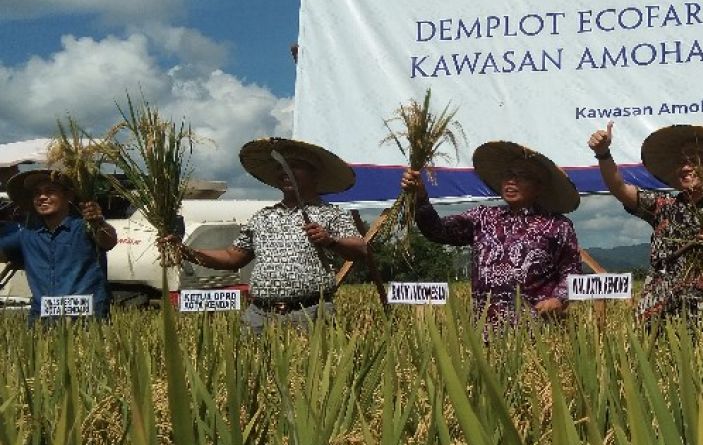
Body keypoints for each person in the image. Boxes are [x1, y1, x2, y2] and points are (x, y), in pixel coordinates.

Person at [166, 137, 368, 333]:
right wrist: (184, 251)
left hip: (310, 313)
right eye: (281, 167)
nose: (285, 171)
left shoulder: (331, 214)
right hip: (260, 316)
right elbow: (232, 257)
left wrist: (330, 241)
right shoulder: (263, 217)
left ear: (314, 175)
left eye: (295, 166)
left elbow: (359, 249)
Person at [587, 121, 703, 335]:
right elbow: (619, 189)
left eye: (693, 161)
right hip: (659, 306)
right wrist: (603, 154)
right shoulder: (664, 206)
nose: (685, 167)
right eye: (681, 162)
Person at [402, 141, 581, 328]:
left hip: (536, 332)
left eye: (522, 176)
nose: (512, 180)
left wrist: (559, 299)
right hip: (485, 333)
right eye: (508, 175)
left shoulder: (557, 226)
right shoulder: (483, 217)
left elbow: (572, 272)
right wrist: (420, 198)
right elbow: (438, 231)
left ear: (538, 187)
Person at [0, 169, 118, 322]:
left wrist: (99, 223)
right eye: (37, 193)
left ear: (68, 196)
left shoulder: (85, 227)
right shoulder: (26, 235)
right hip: (42, 321)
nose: (42, 197)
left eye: (50, 191)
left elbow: (109, 241)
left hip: (86, 320)